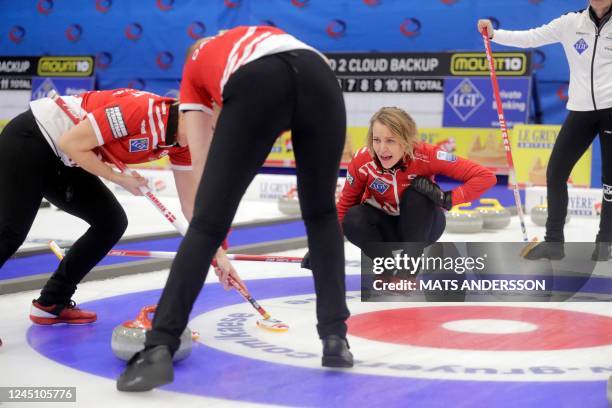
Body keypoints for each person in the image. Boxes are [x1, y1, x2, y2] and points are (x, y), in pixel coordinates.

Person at [117, 25, 352, 392]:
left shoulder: (194, 71)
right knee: (321, 214)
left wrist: (214, 234)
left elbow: (200, 162)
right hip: (321, 76)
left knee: (207, 223)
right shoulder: (253, 35)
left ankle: (159, 347)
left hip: (259, 82)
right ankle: (335, 338)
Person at [0, 88, 218, 328]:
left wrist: (214, 250)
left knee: (110, 222)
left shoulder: (184, 145)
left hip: (65, 158)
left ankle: (52, 303)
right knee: (10, 232)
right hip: (34, 139)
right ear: (189, 113)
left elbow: (190, 204)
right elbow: (71, 142)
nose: (208, 139)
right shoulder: (141, 111)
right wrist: (120, 178)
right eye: (208, 128)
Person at [478, 0, 612, 261]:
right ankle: (554, 243)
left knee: (610, 183)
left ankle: (605, 243)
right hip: (580, 110)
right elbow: (531, 37)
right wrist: (494, 34)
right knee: (555, 172)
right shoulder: (571, 22)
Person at [332, 107, 496, 274]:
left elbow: (485, 176)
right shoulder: (362, 160)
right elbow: (345, 206)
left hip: (424, 227)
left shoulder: (428, 155)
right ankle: (385, 268)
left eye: (390, 141)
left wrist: (447, 198)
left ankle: (408, 270)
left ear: (407, 140)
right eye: (376, 140)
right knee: (353, 217)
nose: (381, 149)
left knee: (417, 193)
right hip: (385, 228)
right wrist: (324, 247)